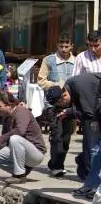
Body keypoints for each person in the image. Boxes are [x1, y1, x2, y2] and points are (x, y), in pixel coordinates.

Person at [45, 72, 101, 199]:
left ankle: (92, 185)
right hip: (95, 114)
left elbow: (89, 116)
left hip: (95, 116)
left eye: (63, 104)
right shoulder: (72, 85)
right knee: (91, 151)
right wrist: (71, 112)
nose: (65, 106)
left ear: (64, 94)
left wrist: (71, 112)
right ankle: (91, 183)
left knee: (91, 148)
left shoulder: (79, 87)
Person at [0, 93, 46, 184]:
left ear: (9, 105)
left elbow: (20, 131)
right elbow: (5, 139)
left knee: (15, 139)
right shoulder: (6, 118)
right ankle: (23, 170)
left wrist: (0, 138)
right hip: (19, 152)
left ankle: (19, 175)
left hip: (35, 154)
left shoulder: (22, 112)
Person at [37, 34, 76, 177]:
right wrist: (57, 86)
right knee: (57, 136)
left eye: (67, 46)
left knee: (66, 137)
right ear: (57, 45)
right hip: (53, 105)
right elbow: (41, 81)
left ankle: (57, 163)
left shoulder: (76, 61)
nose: (64, 49)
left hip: (70, 105)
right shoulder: (49, 60)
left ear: (71, 46)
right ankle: (56, 166)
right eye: (61, 46)